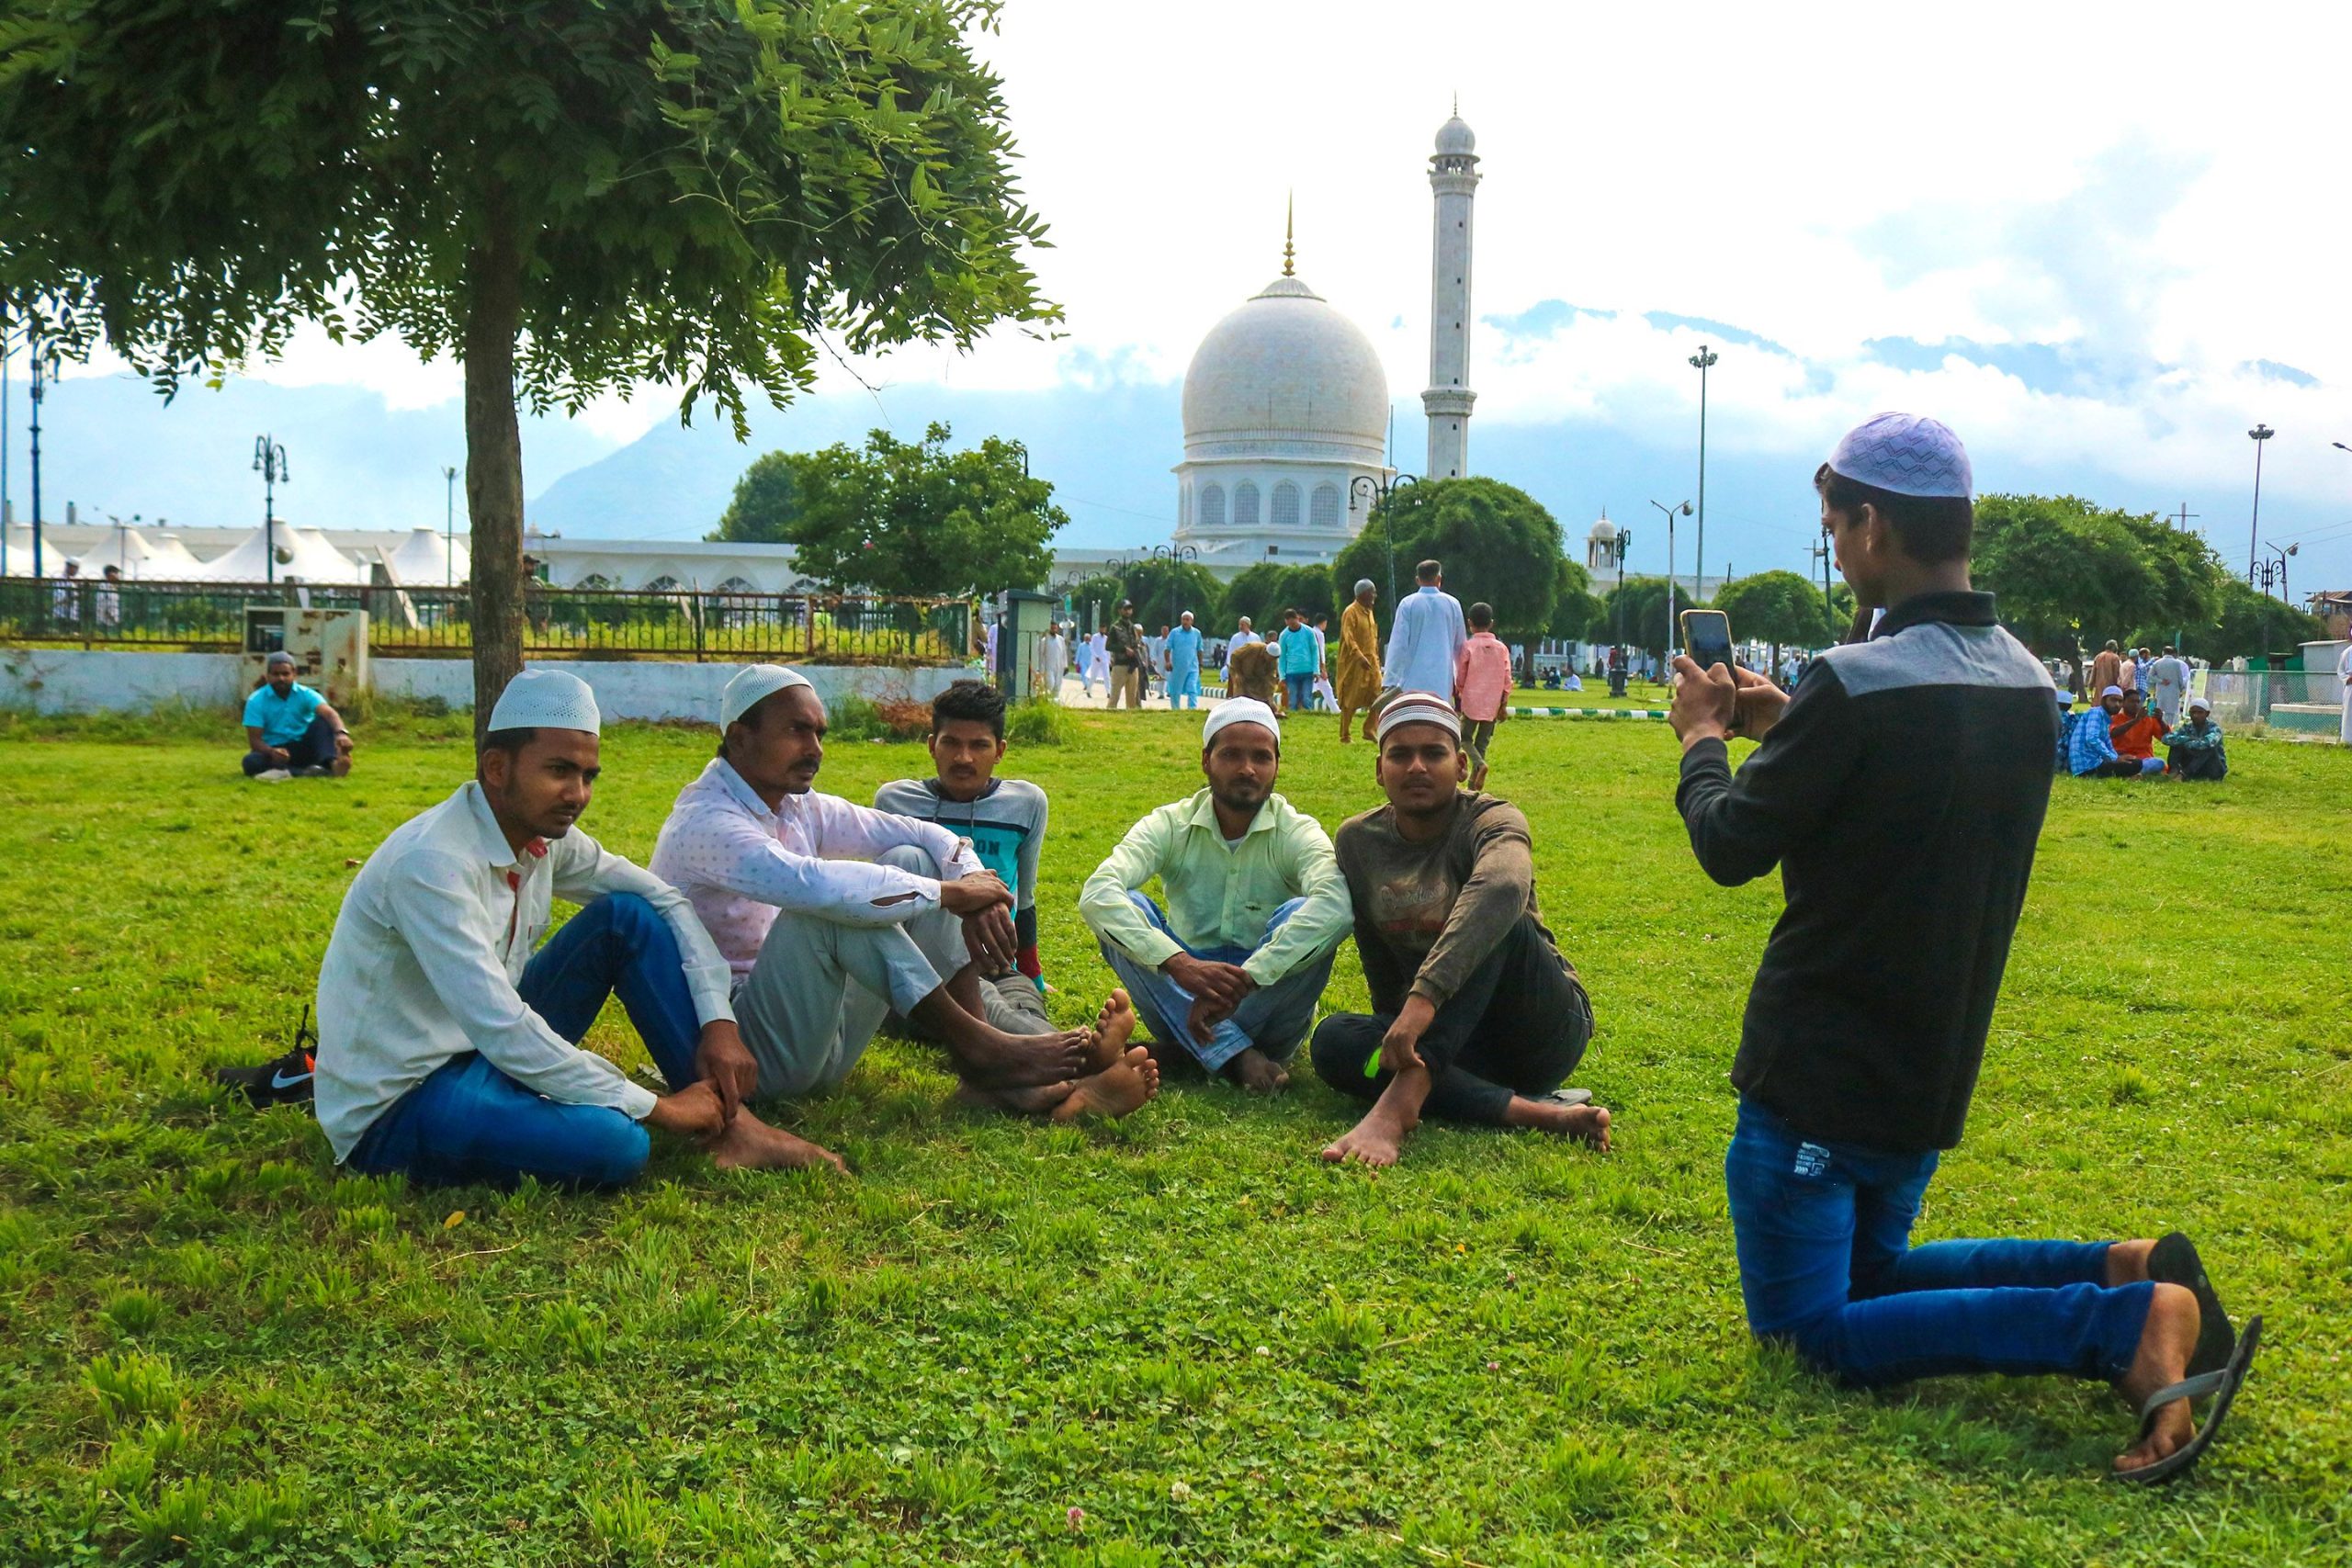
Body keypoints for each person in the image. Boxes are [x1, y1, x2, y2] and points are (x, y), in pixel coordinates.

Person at [1669, 412, 2258, 1483]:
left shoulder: (1849, 685)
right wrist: (1781, 723)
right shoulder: (2027, 681)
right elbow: (1901, 794)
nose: (1834, 549)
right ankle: (2121, 1268)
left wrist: (1703, 738)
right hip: (1928, 1069)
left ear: (1875, 525)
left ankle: (2121, 1325)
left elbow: (1727, 845)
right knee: (1877, 1273)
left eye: (1835, 527)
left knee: (1812, 1334)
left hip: (1819, 1073)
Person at [309, 670, 816, 1188]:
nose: (576, 794)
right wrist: (657, 1108)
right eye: (558, 770)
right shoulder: (431, 864)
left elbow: (664, 900)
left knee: (628, 916)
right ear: (498, 767)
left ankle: (734, 1125)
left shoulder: (543, 836)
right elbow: (501, 1025)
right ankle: (683, 1114)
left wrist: (718, 1022)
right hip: (403, 1099)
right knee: (618, 1144)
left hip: (481, 1051)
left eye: (588, 776)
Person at [651, 667, 1154, 1124]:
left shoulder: (790, 804)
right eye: (796, 731)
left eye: (819, 733)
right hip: (743, 1051)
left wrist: (977, 890)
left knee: (913, 859)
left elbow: (925, 835)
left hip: (814, 1032)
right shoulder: (707, 821)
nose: (815, 749)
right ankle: (984, 1050)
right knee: (830, 909)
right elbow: (815, 887)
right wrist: (947, 894)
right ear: (740, 736)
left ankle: (994, 1067)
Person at [1309, 695, 1609, 1166]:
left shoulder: (1493, 820)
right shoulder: (1357, 840)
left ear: (1462, 764)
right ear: (1378, 769)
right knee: (1332, 1041)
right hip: (1450, 1046)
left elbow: (1504, 883)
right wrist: (1399, 1028)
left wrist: (1422, 1001)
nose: (1416, 767)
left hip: (1537, 1032)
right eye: (1400, 755)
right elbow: (1379, 959)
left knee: (1489, 917)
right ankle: (1534, 1113)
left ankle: (1401, 1102)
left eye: (1434, 753)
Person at [1080, 698, 1351, 1094]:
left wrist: (1252, 978)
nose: (1247, 769)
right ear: (1206, 760)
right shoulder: (1170, 823)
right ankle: (1236, 1055)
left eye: (1261, 757)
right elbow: (1097, 892)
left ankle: (1184, 1052)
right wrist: (1180, 964)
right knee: (1127, 909)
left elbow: (1337, 906)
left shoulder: (1297, 831)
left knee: (1305, 912)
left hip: (1267, 1005)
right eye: (1231, 755)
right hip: (1186, 996)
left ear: (1277, 764)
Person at [873, 680, 1055, 996]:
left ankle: (1078, 1045)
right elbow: (885, 895)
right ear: (932, 746)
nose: (964, 758)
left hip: (995, 965)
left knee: (1021, 1008)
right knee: (983, 1017)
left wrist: (1033, 977)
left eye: (979, 745)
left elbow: (1024, 900)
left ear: (1000, 751)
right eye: (951, 743)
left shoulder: (1026, 804)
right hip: (920, 963)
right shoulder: (896, 802)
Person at [241, 650, 356, 779]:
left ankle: (332, 764)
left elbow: (330, 713)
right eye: (276, 674)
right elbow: (255, 741)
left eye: (285, 674)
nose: (281, 678)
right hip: (275, 751)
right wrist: (271, 752)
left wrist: (341, 734)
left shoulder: (306, 694)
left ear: (294, 674)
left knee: (322, 721)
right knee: (250, 762)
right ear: (267, 676)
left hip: (304, 747)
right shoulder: (255, 701)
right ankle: (311, 772)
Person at [1384, 558, 1469, 699]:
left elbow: (1398, 646)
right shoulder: (1453, 604)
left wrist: (1390, 680)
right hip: (1442, 681)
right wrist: (1461, 679)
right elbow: (1460, 646)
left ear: (1417, 580)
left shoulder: (1408, 604)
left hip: (1412, 681)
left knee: (1412, 718)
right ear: (1439, 579)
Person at [1453, 601, 1513, 792]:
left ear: (1470, 623)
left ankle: (1479, 765)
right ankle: (1473, 786)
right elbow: (1507, 678)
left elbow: (1460, 675)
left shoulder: (1468, 646)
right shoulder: (1501, 648)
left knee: (1463, 738)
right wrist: (1503, 703)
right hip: (1493, 703)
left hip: (1471, 701)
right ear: (1491, 623)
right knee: (1483, 742)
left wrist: (1459, 692)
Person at [2069, 686, 2160, 778]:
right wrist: (2115, 758)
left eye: (2120, 701)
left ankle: (2127, 774)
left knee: (2136, 762)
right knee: (2136, 764)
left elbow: (2108, 743)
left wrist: (2118, 758)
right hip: (2088, 766)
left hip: (2097, 761)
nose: (2117, 704)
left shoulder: (2106, 719)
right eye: (2113, 700)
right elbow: (2092, 739)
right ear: (2104, 701)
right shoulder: (2096, 713)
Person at [1335, 581, 1384, 743]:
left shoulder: (1369, 612)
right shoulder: (1351, 612)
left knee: (1378, 696)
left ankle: (1369, 729)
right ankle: (1345, 735)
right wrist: (1359, 656)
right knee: (1351, 698)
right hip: (1354, 663)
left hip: (1372, 662)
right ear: (1362, 594)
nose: (1375, 596)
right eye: (1372, 592)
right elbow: (1349, 638)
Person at [2163, 695, 2227, 781]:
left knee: (2208, 748)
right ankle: (2174, 771)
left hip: (2213, 768)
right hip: (2194, 766)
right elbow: (2166, 738)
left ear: (2207, 714)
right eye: (2193, 712)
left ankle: (2183, 775)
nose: (2196, 715)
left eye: (2200, 712)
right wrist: (2187, 739)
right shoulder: (2187, 727)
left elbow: (2207, 743)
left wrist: (2189, 744)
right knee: (2177, 742)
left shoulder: (2214, 728)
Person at [1276, 606, 1320, 715]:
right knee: (1293, 700)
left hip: (1307, 670)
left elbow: (1315, 651)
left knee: (1306, 699)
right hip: (1291, 672)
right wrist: (1282, 675)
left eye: (1293, 622)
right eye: (1289, 624)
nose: (1292, 625)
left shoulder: (1309, 632)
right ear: (1286, 622)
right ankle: (1295, 720)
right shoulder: (1284, 635)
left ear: (1297, 618)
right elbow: (1282, 657)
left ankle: (1308, 720)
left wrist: (1316, 670)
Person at [2109, 687, 2167, 767]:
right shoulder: (2115, 718)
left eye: (2138, 702)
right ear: (2122, 703)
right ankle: (2134, 770)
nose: (2136, 705)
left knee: (2159, 763)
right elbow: (2113, 733)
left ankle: (2135, 771)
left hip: (2144, 758)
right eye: (2132, 701)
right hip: (2122, 756)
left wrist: (2161, 721)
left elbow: (2167, 738)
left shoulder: (2149, 719)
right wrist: (2136, 720)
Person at [1105, 601, 1146, 711]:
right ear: (1120, 611)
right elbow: (1108, 646)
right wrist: (1124, 649)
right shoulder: (1115, 628)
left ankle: (1130, 722)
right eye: (1125, 609)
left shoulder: (1133, 628)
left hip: (1133, 666)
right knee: (1114, 697)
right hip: (1120, 666)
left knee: (1132, 699)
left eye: (1130, 609)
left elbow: (1136, 644)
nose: (1128, 611)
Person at [1165, 611, 1204, 709]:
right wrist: (1168, 662)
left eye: (1187, 619)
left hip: (1193, 667)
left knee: (1192, 688)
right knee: (1175, 690)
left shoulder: (1196, 633)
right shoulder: (1175, 633)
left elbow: (1200, 649)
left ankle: (1192, 709)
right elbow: (1167, 648)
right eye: (1183, 619)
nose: (1185, 622)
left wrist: (1200, 665)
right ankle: (1175, 709)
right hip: (1178, 667)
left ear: (1192, 621)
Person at [1225, 637, 1280, 707]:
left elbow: (1270, 679)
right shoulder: (1252, 647)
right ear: (1266, 652)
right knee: (1240, 693)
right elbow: (1235, 656)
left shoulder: (1273, 661)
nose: (1271, 660)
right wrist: (1237, 673)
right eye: (1270, 657)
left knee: (1260, 697)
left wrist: (1270, 698)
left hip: (1256, 677)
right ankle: (1238, 710)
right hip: (1240, 672)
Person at [2146, 646, 2190, 727]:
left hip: (2161, 689)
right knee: (2171, 710)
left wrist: (2161, 681)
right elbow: (2180, 678)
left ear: (2163, 653)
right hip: (2174, 690)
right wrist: (2181, 688)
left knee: (2160, 708)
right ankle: (2169, 726)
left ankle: (2158, 725)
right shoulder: (2177, 663)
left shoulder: (2157, 662)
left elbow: (2150, 676)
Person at [1037, 622, 1069, 700]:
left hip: (1059, 667)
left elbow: (1064, 653)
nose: (1054, 630)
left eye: (1055, 628)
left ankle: (1054, 704)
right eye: (1052, 628)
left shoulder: (1061, 639)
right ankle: (1048, 701)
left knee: (1057, 686)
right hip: (1048, 667)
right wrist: (1040, 669)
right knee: (1050, 685)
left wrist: (1066, 666)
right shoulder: (1044, 641)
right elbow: (1040, 655)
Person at [1080, 627, 1108, 699]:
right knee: (1093, 676)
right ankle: (1088, 691)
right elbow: (1092, 648)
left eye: (1104, 629)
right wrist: (1096, 656)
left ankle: (1109, 692)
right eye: (1102, 629)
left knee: (1107, 676)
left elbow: (1107, 650)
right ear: (1099, 629)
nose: (1103, 630)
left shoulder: (1106, 638)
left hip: (1104, 660)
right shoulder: (1095, 637)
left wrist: (1109, 659)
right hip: (1096, 660)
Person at [96, 564, 122, 635]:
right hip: (105, 622)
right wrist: (114, 620)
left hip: (112, 622)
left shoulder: (112, 587)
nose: (118, 576)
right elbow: (104, 606)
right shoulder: (104, 587)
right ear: (111, 574)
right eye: (116, 573)